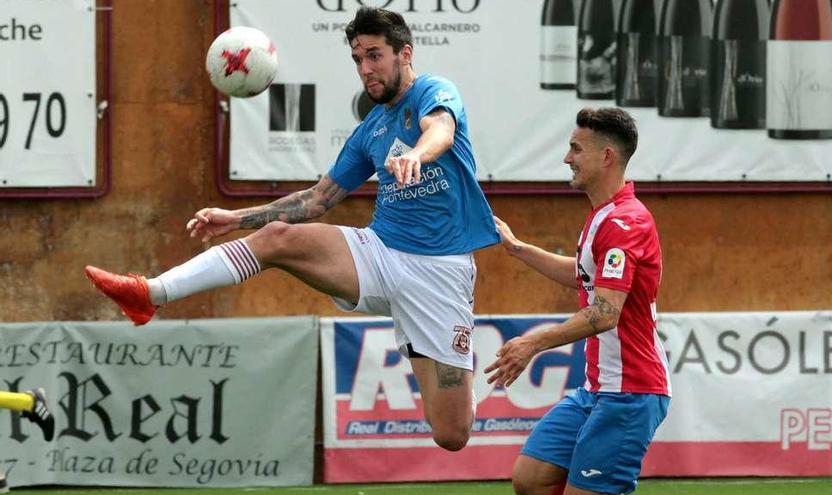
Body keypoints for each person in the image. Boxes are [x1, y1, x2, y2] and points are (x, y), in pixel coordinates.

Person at [84, 6, 498, 452]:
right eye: (358, 59)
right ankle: (150, 294)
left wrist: (418, 154)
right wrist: (236, 218)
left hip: (440, 274)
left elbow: (442, 130)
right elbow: (317, 199)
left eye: (375, 55)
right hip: (380, 253)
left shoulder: (434, 92)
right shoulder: (371, 129)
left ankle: (443, 364)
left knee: (451, 433)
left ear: (404, 53)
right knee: (276, 238)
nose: (366, 69)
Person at [485, 108, 670, 495]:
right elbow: (582, 275)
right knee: (531, 478)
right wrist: (517, 248)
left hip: (629, 393)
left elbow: (605, 313)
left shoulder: (624, 223)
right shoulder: (604, 216)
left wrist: (532, 343)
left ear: (606, 157)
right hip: (596, 390)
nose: (567, 158)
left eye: (575, 149)